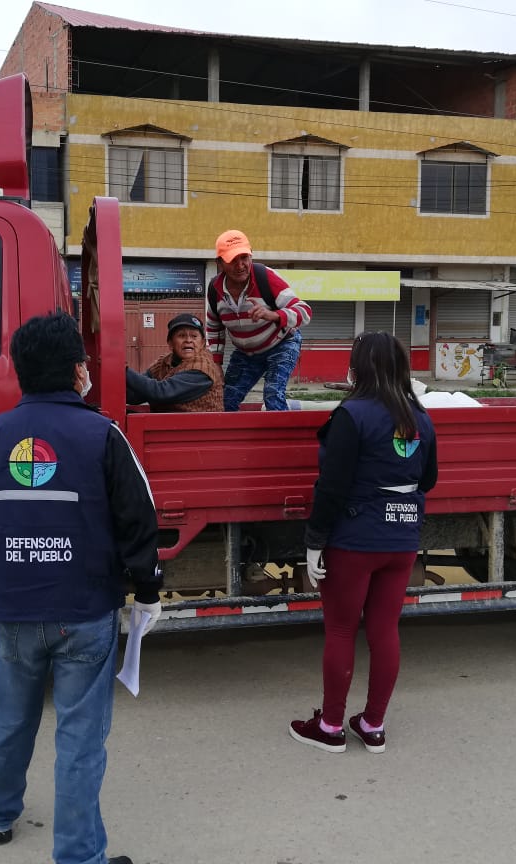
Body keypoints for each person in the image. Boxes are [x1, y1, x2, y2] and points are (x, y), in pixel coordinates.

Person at [0, 312, 160, 864]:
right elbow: (138, 518)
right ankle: (79, 856)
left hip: (11, 609)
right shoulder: (103, 433)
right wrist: (149, 590)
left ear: (17, 370)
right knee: (81, 740)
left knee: (11, 718)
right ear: (79, 371)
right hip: (85, 611)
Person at [288, 331, 438, 755]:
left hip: (354, 540)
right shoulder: (420, 416)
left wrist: (315, 541)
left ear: (357, 368)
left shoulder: (351, 415)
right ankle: (373, 725)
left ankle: (331, 726)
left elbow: (331, 488)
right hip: (403, 538)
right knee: (385, 630)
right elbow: (428, 479)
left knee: (340, 629)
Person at [206, 229, 312, 411]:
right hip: (247, 354)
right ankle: (232, 439)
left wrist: (274, 315)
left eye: (244, 258)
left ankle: (281, 438)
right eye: (233, 260)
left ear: (251, 256)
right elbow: (214, 327)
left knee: (272, 395)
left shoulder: (266, 277)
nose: (240, 266)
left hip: (281, 344)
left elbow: (304, 311)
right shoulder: (215, 289)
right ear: (220, 263)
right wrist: (216, 364)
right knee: (224, 401)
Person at [125, 312, 224, 412]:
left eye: (194, 336)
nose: (188, 340)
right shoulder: (163, 363)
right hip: (168, 424)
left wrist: (123, 370)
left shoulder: (203, 368)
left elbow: (162, 392)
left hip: (198, 426)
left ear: (202, 343)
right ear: (170, 343)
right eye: (181, 335)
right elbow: (136, 396)